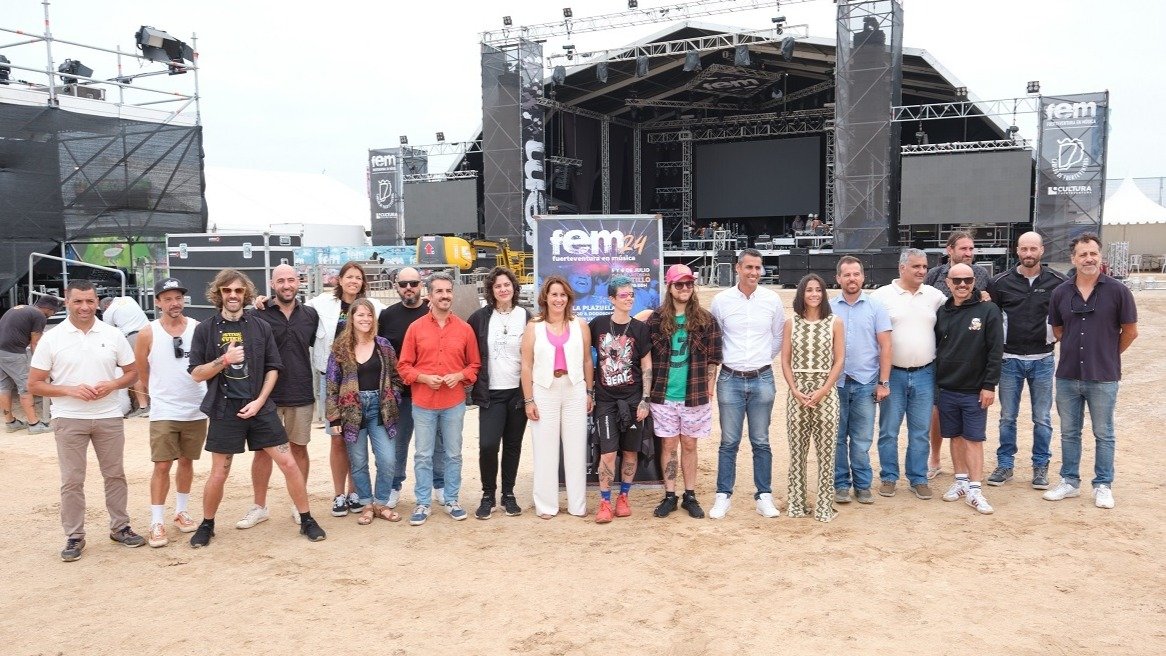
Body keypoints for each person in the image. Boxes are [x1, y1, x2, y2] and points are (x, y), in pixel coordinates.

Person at [186, 269, 325, 547]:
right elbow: (196, 373)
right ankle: (207, 524)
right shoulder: (205, 329)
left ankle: (306, 518)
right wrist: (224, 360)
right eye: (227, 291)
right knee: (219, 472)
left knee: (288, 461)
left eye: (238, 291)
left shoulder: (259, 325)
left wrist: (261, 401)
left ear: (246, 294)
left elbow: (274, 367)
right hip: (225, 409)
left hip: (260, 407)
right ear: (219, 294)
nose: (233, 296)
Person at [28, 279, 145, 561]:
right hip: (69, 418)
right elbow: (34, 384)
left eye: (90, 301)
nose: (84, 307)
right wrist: (69, 389)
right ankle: (74, 536)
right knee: (71, 480)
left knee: (115, 475)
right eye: (78, 301)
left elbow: (132, 373)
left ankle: (120, 527)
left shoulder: (112, 333)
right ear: (66, 302)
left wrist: (112, 386)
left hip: (108, 416)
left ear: (97, 302)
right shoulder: (52, 338)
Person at [259, 262, 387, 517]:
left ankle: (356, 492)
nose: (353, 281)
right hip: (331, 380)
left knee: (356, 438)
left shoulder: (375, 308)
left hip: (364, 381)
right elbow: (289, 305)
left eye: (358, 278)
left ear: (364, 282)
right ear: (339, 280)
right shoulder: (320, 305)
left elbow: (397, 318)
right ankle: (339, 494)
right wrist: (263, 300)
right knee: (338, 438)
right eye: (348, 277)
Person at [1044, 233, 1138, 509]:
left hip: (1104, 376)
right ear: (1073, 258)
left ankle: (1103, 484)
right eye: (1083, 254)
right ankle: (1070, 482)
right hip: (1068, 375)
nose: (1089, 259)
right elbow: (1058, 329)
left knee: (1104, 432)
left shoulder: (1118, 291)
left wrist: (1107, 354)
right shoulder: (1061, 293)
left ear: (1100, 256)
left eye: (1093, 253)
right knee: (1069, 432)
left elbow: (1131, 332)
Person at [396, 272, 480, 525]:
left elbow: (475, 365)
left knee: (453, 454)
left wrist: (461, 375)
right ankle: (422, 503)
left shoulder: (464, 329)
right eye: (439, 291)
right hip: (423, 403)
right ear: (429, 296)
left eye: (448, 291)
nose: (445, 296)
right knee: (423, 454)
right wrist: (422, 378)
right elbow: (404, 366)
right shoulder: (415, 328)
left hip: (453, 403)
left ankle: (452, 499)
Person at [242, 264, 320, 529]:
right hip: (267, 396)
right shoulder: (257, 314)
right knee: (263, 453)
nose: (287, 285)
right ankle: (259, 506)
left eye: (291, 280)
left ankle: (299, 506)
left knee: (299, 449)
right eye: (281, 281)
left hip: (301, 393)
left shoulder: (310, 314)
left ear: (299, 282)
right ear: (272, 284)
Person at [986, 232, 1065, 489]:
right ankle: (1005, 465)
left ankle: (1040, 466)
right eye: (1024, 249)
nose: (1028, 254)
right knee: (1007, 416)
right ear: (1016, 251)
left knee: (1042, 417)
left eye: (1033, 249)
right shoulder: (999, 283)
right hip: (1009, 360)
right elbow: (991, 319)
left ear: (1042, 250)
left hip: (1043, 360)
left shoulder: (1058, 282)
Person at [709, 248, 784, 519]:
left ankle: (763, 495)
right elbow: (715, 338)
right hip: (729, 378)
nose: (754, 273)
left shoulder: (772, 300)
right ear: (738, 268)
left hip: (762, 377)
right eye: (749, 267)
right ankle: (722, 496)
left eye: (758, 268)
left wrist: (762, 359)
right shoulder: (721, 301)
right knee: (729, 441)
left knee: (761, 441)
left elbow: (777, 337)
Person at [134, 277, 208, 547]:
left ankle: (181, 511)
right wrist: (156, 394)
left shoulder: (198, 328)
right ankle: (156, 520)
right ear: (158, 302)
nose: (174, 303)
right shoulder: (147, 333)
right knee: (162, 464)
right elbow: (142, 371)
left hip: (195, 407)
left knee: (187, 461)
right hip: (165, 408)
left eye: (178, 298)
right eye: (167, 299)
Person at [870, 248, 946, 500]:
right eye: (916, 267)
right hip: (893, 375)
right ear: (902, 268)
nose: (922, 271)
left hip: (926, 373)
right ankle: (889, 477)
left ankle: (918, 477)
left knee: (920, 431)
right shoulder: (881, 296)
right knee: (889, 430)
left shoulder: (934, 296)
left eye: (924, 267)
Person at [647, 264, 721, 519]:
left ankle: (690, 494)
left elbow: (713, 358)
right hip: (663, 394)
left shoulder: (706, 319)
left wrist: (709, 387)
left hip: (695, 394)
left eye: (689, 284)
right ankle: (670, 495)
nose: (685, 288)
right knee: (668, 445)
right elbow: (645, 355)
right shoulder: (655, 319)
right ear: (669, 287)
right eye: (679, 284)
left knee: (689, 444)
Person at [521, 275, 594, 519]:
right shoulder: (534, 326)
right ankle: (546, 505)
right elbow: (527, 366)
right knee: (545, 449)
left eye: (562, 295)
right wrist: (529, 399)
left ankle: (577, 505)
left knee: (576, 450)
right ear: (545, 297)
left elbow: (586, 361)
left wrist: (589, 392)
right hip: (544, 390)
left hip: (574, 389)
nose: (558, 299)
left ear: (568, 298)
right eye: (554, 294)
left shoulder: (579, 325)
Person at [326, 299, 404, 524]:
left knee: (388, 459)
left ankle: (381, 502)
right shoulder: (341, 348)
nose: (365, 319)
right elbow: (331, 384)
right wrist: (334, 417)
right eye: (360, 315)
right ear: (352, 318)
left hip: (381, 409)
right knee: (358, 461)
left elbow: (397, 377)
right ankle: (367, 504)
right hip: (352, 411)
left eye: (369, 315)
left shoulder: (384, 346)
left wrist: (393, 396)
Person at [935, 263, 1003, 514]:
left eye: (967, 280)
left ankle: (975, 488)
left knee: (974, 438)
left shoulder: (988, 310)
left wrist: (989, 385)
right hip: (947, 387)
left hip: (975, 389)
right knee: (954, 436)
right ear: (948, 283)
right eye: (957, 280)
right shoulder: (942, 311)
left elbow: (996, 350)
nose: (962, 285)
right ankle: (961, 481)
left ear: (974, 281)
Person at [923, 231, 992, 478]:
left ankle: (963, 471)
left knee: (967, 419)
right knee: (937, 411)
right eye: (963, 249)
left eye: (971, 249)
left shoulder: (982, 275)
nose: (968, 253)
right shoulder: (934, 275)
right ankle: (935, 458)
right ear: (949, 250)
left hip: (970, 355)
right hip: (940, 351)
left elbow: (988, 311)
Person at [378, 267, 445, 509]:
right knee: (399, 442)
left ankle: (440, 484)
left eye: (413, 283)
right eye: (403, 283)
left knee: (436, 443)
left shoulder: (434, 311)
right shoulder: (387, 316)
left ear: (421, 286)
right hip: (401, 393)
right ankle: (395, 486)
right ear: (396, 286)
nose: (409, 288)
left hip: (431, 391)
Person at [466, 267, 530, 520]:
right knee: (488, 445)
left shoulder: (526, 317)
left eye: (507, 285)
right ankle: (488, 495)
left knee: (513, 445)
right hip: (490, 393)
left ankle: (509, 494)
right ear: (491, 291)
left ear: (514, 287)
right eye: (498, 286)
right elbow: (468, 351)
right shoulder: (479, 318)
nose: (503, 289)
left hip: (517, 392)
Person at [781, 274, 845, 522]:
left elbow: (839, 359)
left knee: (826, 453)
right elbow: (785, 360)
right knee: (797, 451)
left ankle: (824, 505)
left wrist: (823, 390)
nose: (814, 294)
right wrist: (795, 389)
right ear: (801, 294)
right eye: (809, 290)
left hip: (825, 393)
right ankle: (796, 503)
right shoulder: (791, 323)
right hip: (797, 391)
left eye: (818, 290)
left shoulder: (835, 322)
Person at [588, 275, 652, 524]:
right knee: (608, 453)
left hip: (634, 400)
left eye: (631, 294)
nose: (629, 299)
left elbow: (646, 365)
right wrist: (588, 392)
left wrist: (645, 399)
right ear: (611, 298)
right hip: (605, 401)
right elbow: (583, 355)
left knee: (630, 453)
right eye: (623, 295)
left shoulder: (640, 328)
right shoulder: (597, 325)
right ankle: (604, 501)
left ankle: (623, 497)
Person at [830, 256, 891, 506]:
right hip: (836, 384)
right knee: (836, 437)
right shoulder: (829, 307)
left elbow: (886, 346)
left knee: (862, 439)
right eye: (847, 275)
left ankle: (863, 485)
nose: (852, 279)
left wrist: (883, 383)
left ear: (863, 277)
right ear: (838, 279)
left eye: (856, 274)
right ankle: (841, 484)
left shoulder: (876, 307)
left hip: (866, 382)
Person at [0, 295, 59, 434]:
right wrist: (40, 364)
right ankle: (34, 424)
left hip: (1, 350)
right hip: (13, 352)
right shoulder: (39, 316)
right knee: (26, 386)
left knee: (4, 386)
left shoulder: (20, 308)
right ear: (49, 309)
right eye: (53, 312)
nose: (52, 315)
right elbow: (36, 343)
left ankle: (10, 422)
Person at [99, 295, 151, 416]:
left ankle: (143, 406)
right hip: (151, 333)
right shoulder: (129, 298)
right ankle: (156, 403)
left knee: (136, 371)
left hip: (134, 337)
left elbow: (109, 334)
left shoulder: (108, 313)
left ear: (106, 306)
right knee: (152, 369)